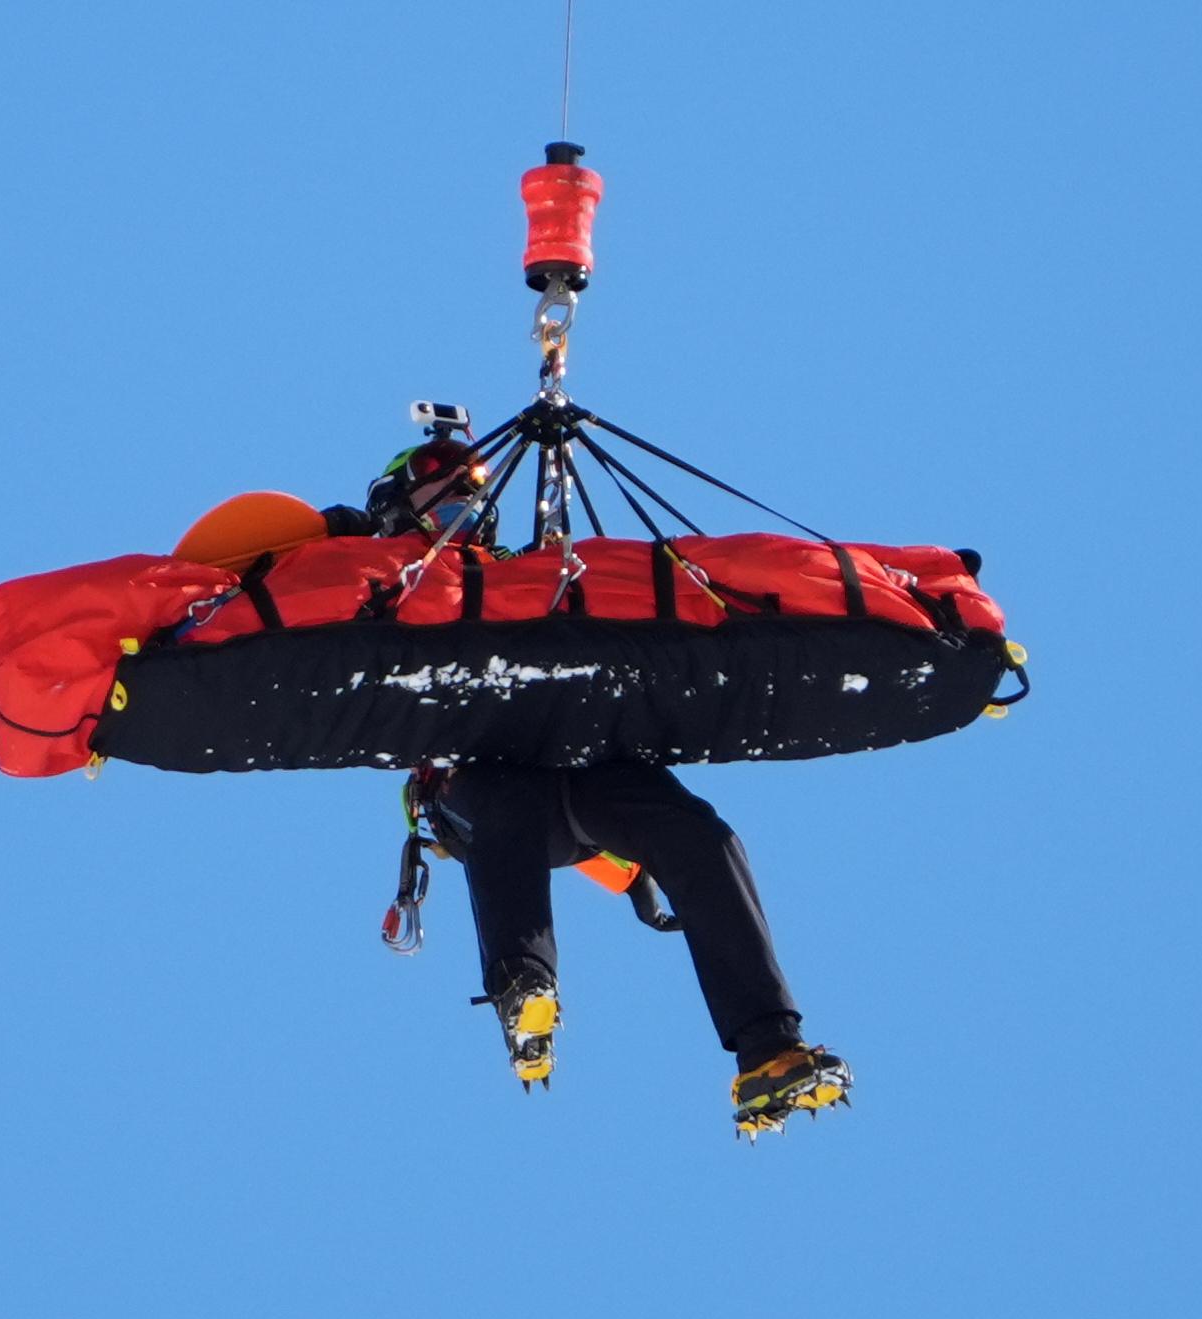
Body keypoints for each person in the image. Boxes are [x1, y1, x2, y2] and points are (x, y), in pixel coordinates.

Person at [350, 416, 853, 1138]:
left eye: (475, 496)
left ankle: (768, 1049)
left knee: (696, 833)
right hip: (481, 784)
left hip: (581, 771)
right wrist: (346, 523)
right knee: (506, 795)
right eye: (447, 495)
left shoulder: (527, 575)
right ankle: (523, 984)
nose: (470, 508)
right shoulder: (375, 584)